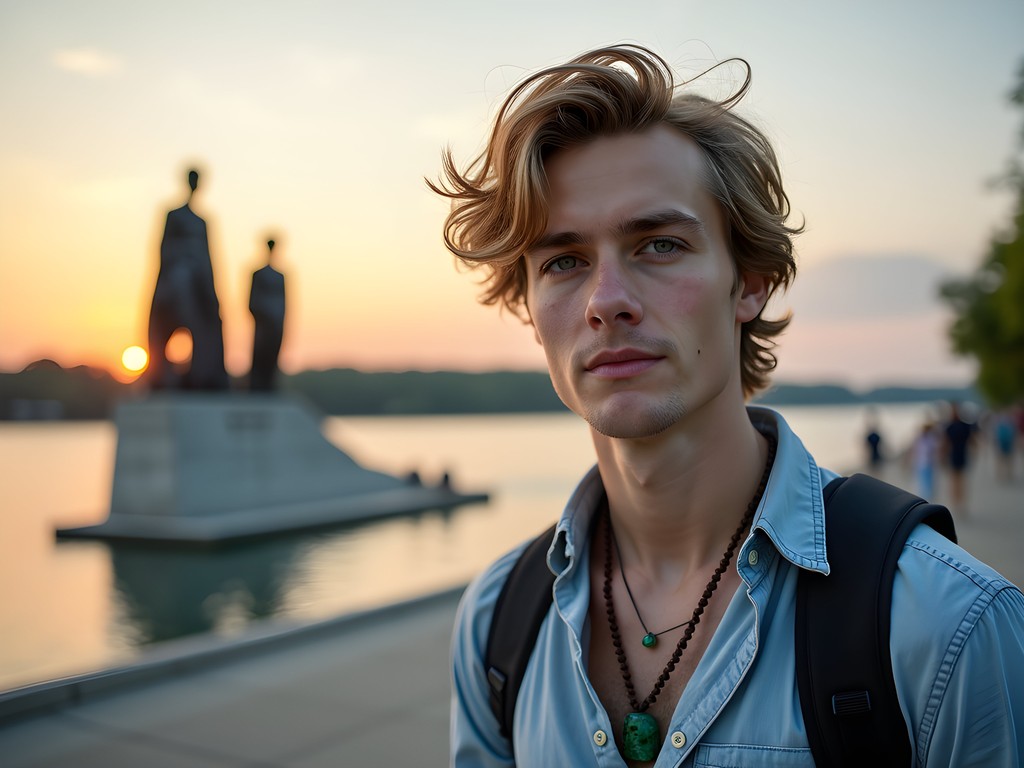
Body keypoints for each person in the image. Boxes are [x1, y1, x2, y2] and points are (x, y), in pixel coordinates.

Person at [432, 45, 1024, 766]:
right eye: (563, 260)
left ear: (750, 284)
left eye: (658, 244)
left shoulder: (945, 624)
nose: (606, 301)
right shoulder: (498, 623)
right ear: (528, 306)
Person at [147, 168, 229, 391]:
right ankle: (162, 376)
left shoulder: (202, 221)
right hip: (178, 274)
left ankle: (206, 374)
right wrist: (185, 255)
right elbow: (163, 247)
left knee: (214, 317)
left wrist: (211, 291)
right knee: (182, 279)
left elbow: (209, 256)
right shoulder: (174, 215)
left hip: (199, 277)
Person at [248, 238, 287, 391]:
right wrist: (264, 315)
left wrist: (277, 319)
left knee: (272, 355)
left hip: (276, 322)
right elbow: (251, 302)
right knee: (260, 354)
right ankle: (256, 385)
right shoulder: (259, 274)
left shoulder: (280, 276)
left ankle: (270, 385)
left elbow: (284, 302)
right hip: (263, 322)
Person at [943, 401, 976, 513]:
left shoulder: (952, 426)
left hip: (959, 455)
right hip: (957, 455)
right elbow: (946, 444)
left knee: (958, 481)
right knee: (956, 481)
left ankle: (959, 503)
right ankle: (957, 503)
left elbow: (945, 444)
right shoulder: (961, 426)